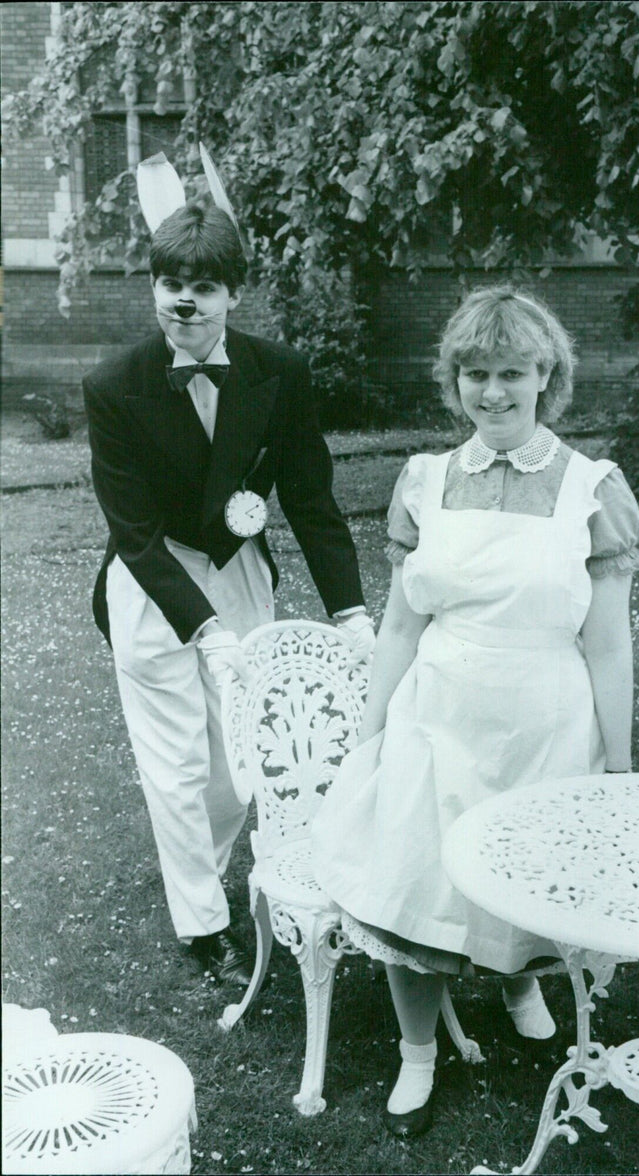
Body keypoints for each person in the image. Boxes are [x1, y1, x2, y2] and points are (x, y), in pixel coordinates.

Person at [312, 285, 639, 1136]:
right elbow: (398, 622)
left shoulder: (591, 490)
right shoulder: (423, 481)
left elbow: (607, 646)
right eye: (475, 375)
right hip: (440, 716)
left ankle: (518, 980)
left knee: (526, 884)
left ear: (546, 376)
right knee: (412, 883)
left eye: (511, 373)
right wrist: (373, 730)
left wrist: (619, 763)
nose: (493, 393)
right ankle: (416, 1055)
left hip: (546, 723)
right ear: (453, 381)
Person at [84, 171, 375, 988]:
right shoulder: (114, 385)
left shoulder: (277, 371)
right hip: (152, 585)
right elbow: (132, 533)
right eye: (170, 284)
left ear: (232, 295)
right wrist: (202, 631)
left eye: (203, 287)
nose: (185, 302)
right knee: (172, 764)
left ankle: (200, 868)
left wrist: (350, 611)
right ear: (153, 288)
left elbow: (313, 503)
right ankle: (202, 925)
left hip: (239, 575)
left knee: (237, 765)